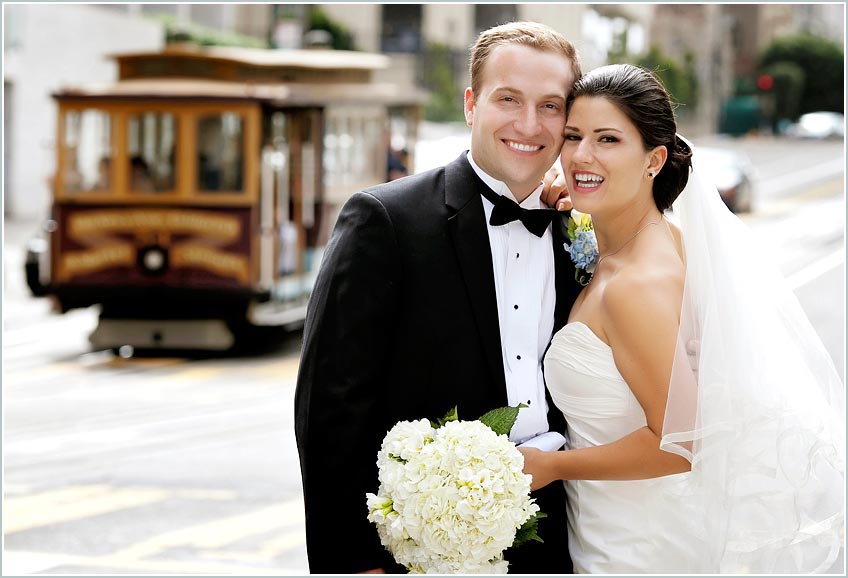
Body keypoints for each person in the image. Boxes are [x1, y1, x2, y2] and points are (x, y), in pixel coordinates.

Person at [520, 63, 845, 573]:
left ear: (653, 160)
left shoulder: (635, 285)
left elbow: (681, 442)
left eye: (607, 139)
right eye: (573, 136)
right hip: (639, 522)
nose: (581, 155)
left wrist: (553, 465)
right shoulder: (662, 240)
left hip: (637, 546)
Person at [295, 21, 581, 574]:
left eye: (551, 106)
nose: (529, 124)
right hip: (424, 548)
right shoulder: (385, 220)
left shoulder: (584, 231)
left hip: (570, 533)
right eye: (509, 99)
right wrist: (355, 563)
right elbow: (330, 406)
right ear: (471, 104)